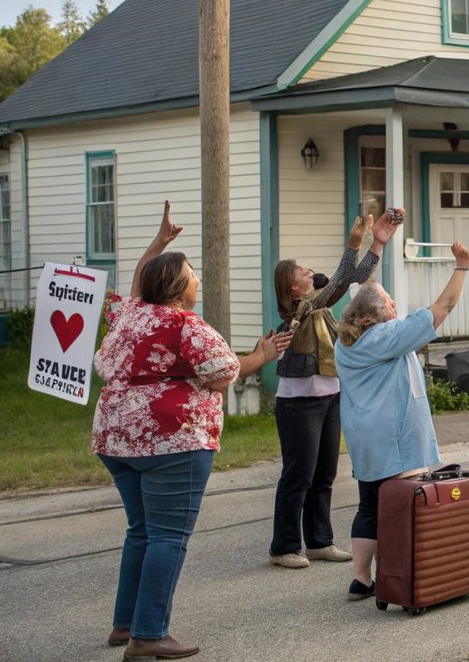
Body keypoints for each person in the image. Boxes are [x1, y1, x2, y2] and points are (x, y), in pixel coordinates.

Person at [92, 202, 291, 660]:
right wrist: (261, 357)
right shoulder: (185, 324)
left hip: (115, 437)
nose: (197, 278)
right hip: (171, 439)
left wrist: (161, 242)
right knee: (167, 535)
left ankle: (125, 624)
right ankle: (148, 635)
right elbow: (223, 375)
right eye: (192, 273)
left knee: (141, 531)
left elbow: (141, 282)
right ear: (180, 289)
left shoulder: (131, 315)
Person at [333, 225, 469, 601]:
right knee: (405, 506)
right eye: (391, 303)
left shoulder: (346, 342)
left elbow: (356, 285)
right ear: (376, 315)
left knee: (369, 505)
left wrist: (377, 244)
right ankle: (409, 574)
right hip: (396, 439)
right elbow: (443, 308)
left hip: (364, 437)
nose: (396, 307)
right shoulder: (386, 337)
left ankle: (361, 579)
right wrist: (461, 267)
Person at [266, 211, 401, 569]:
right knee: (298, 475)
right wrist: (353, 243)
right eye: (304, 273)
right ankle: (284, 546)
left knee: (325, 475)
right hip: (299, 405)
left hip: (328, 397)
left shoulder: (318, 308)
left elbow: (350, 279)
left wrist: (377, 244)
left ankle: (319, 541)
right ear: (292, 287)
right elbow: (339, 281)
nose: (311, 274)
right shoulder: (301, 310)